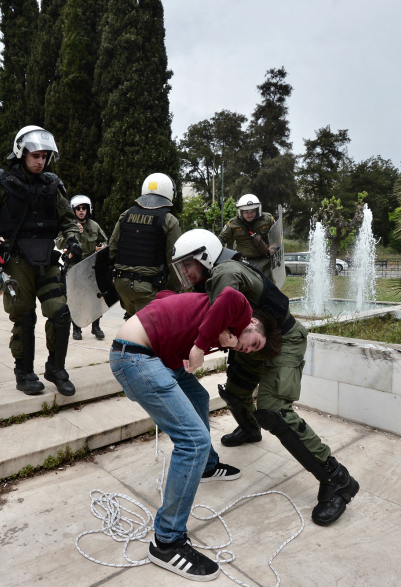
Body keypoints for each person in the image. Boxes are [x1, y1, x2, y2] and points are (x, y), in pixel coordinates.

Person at [171, 229, 359, 527]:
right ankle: (249, 430)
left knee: (273, 410)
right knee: (235, 392)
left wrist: (197, 347)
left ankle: (337, 479)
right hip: (251, 341)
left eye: (186, 264)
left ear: (204, 256)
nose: (183, 271)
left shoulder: (225, 272)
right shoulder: (214, 278)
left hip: (283, 339)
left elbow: (219, 314)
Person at [111, 287, 281, 582]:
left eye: (253, 350)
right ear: (253, 324)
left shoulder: (221, 327)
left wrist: (188, 352)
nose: (248, 349)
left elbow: (164, 297)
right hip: (136, 358)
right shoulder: (239, 310)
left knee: (199, 398)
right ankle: (167, 541)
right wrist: (201, 346)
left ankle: (206, 466)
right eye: (254, 343)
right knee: (193, 442)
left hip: (151, 357)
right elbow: (229, 295)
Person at [0, 125, 81, 396]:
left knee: (61, 313)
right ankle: (24, 372)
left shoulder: (52, 186)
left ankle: (56, 368)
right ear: (21, 153)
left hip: (47, 257)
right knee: (24, 317)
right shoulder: (5, 185)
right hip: (17, 260)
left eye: (45, 156)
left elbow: (68, 220)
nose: (41, 161)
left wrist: (73, 240)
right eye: (35, 155)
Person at [108, 173, 182, 318]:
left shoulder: (126, 215)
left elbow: (112, 249)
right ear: (169, 192)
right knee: (148, 334)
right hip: (148, 287)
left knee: (132, 325)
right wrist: (172, 291)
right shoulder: (169, 220)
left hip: (121, 284)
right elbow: (175, 260)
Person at [56, 195, 108, 340]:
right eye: (78, 208)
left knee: (96, 298)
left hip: (91, 267)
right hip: (74, 267)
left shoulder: (94, 226)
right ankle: (76, 328)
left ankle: (96, 326)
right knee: (75, 299)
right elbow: (59, 243)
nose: (81, 211)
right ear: (73, 210)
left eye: (83, 208)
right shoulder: (68, 227)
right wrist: (72, 235)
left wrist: (102, 247)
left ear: (88, 210)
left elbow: (105, 241)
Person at [218, 194, 276, 273]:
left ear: (257, 210)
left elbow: (277, 235)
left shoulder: (268, 219)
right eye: (246, 212)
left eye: (252, 211)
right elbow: (220, 240)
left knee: (268, 284)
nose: (250, 214)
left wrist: (274, 246)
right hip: (243, 263)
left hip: (264, 261)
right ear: (240, 211)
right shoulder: (232, 224)